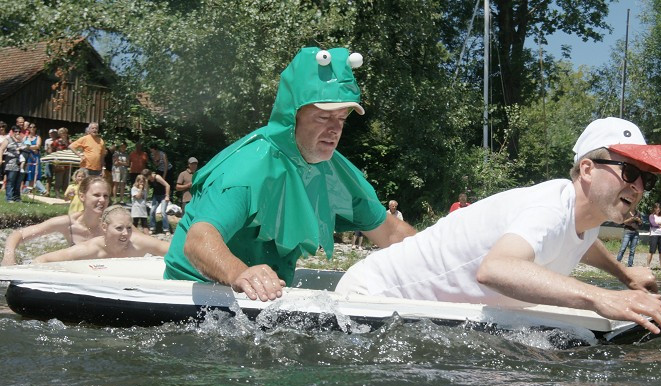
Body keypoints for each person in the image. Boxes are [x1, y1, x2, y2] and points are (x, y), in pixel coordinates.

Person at [336, 117, 661, 334]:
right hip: (373, 296)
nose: (638, 188)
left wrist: (625, 275)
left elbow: (580, 242)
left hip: (424, 312)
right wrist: (600, 297)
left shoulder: (583, 219)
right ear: (588, 169)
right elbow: (496, 269)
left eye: (646, 181)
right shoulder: (549, 207)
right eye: (630, 173)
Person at [164, 46, 416, 300]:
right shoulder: (247, 170)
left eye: (341, 118)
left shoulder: (336, 175)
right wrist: (240, 272)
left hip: (269, 290)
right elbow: (197, 240)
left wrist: (443, 257)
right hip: (193, 290)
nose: (334, 129)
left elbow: (392, 233)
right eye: (323, 117)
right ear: (292, 115)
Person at [2, 175, 109, 265]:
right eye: (96, 195)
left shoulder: (112, 227)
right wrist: (8, 255)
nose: (102, 200)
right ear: (82, 196)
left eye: (106, 196)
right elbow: (18, 234)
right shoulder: (68, 223)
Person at [34, 205, 170, 263]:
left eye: (129, 228)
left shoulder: (139, 244)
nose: (125, 233)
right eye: (119, 228)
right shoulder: (91, 249)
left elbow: (175, 251)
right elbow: (42, 260)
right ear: (104, 227)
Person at [1, 126, 26, 203]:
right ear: (12, 131)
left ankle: (17, 197)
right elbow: (1, 149)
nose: (17, 133)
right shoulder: (8, 139)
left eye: (19, 131)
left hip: (20, 163)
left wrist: (21, 141)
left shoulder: (22, 141)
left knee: (18, 181)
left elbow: (26, 148)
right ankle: (9, 197)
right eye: (15, 131)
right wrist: (0, 159)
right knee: (11, 180)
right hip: (11, 163)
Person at [143, 168, 171, 235]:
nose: (146, 178)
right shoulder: (148, 180)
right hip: (156, 195)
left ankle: (166, 229)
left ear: (150, 175)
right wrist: (145, 198)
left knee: (163, 211)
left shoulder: (157, 177)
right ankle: (152, 228)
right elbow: (147, 189)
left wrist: (167, 196)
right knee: (152, 211)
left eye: (147, 177)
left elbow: (167, 185)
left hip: (163, 195)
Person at [51, 127, 71, 196]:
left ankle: (65, 195)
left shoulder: (69, 142)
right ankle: (57, 194)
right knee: (58, 180)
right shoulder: (56, 142)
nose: (63, 134)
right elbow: (52, 151)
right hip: (59, 163)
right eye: (62, 133)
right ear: (59, 134)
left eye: (65, 133)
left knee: (66, 181)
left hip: (68, 163)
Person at [646, 202, 661, 269]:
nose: (658, 209)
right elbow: (653, 224)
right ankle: (648, 265)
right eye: (656, 208)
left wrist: (658, 223)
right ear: (654, 209)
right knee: (651, 251)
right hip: (654, 235)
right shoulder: (651, 216)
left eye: (659, 208)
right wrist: (660, 224)